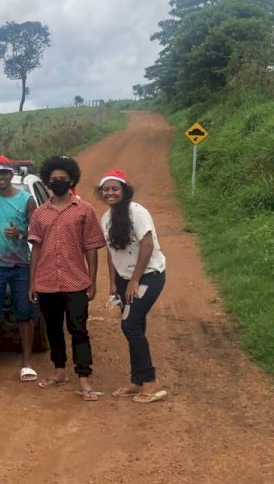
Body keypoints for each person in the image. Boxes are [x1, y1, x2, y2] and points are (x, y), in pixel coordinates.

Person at [27, 155, 105, 401]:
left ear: (71, 180)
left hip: (76, 281)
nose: (58, 182)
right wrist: (33, 282)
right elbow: (36, 249)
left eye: (63, 178)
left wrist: (92, 279)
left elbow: (91, 247)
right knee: (53, 329)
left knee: (78, 328)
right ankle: (59, 371)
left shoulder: (85, 210)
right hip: (47, 280)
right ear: (48, 182)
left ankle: (84, 378)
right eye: (54, 179)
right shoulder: (40, 213)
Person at [98, 170, 168, 404]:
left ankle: (150, 382)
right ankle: (137, 380)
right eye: (106, 189)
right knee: (135, 325)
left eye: (114, 188)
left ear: (124, 191)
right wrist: (113, 284)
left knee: (130, 325)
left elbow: (147, 246)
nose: (110, 193)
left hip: (148, 275)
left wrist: (135, 281)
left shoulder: (137, 212)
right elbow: (111, 253)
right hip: (123, 278)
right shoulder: (106, 218)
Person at [0, 155, 38, 382]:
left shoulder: (27, 199)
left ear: (11, 174)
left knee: (25, 314)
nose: (1, 177)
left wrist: (20, 234)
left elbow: (37, 234)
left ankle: (27, 363)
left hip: (21, 267)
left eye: (5, 173)